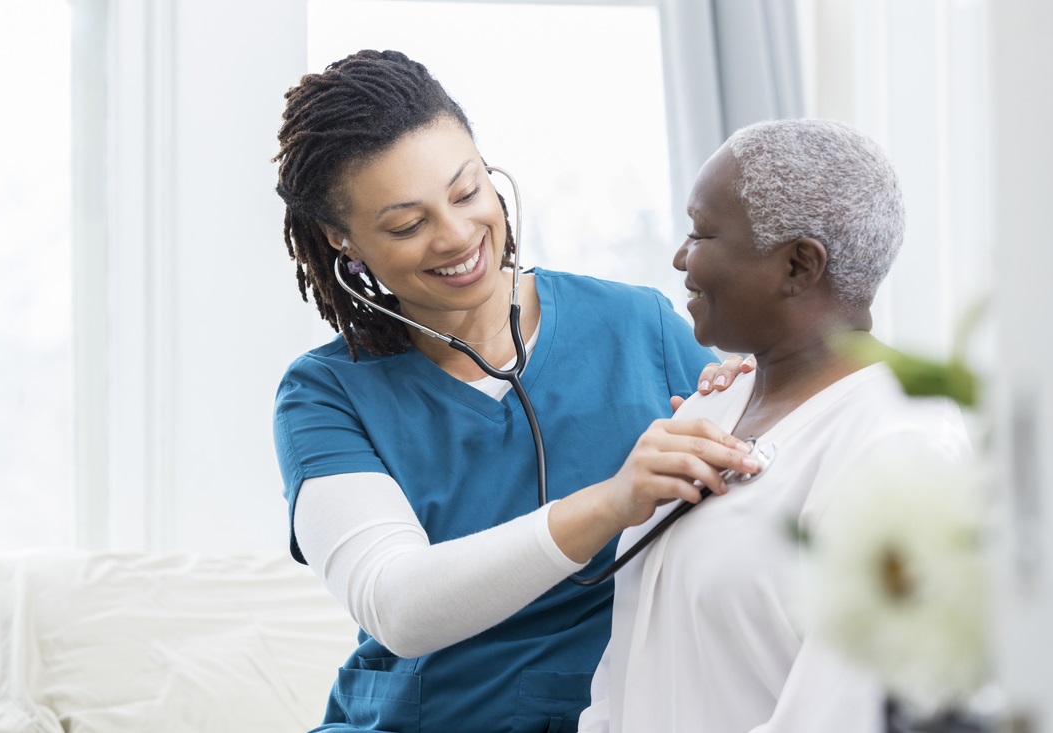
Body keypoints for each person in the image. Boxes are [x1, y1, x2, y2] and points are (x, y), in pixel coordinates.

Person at [271, 50, 757, 732]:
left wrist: (750, 407)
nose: (458, 235)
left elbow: (766, 507)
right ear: (342, 241)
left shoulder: (636, 326)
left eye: (468, 191)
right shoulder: (325, 395)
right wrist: (614, 499)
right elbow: (399, 606)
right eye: (408, 225)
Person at [576, 119, 972, 733]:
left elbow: (840, 718)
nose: (681, 257)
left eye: (701, 233)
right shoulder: (713, 405)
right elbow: (633, 660)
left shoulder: (900, 445)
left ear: (797, 265)